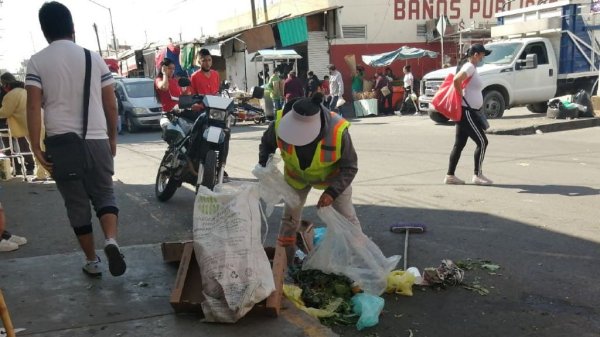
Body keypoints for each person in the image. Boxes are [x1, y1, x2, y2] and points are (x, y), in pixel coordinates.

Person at [25, 1, 126, 277]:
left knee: (77, 204)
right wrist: (112, 138)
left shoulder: (37, 61)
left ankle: (93, 261)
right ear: (72, 28)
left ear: (44, 31)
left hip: (62, 145)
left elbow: (33, 107)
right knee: (105, 193)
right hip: (97, 140)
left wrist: (35, 146)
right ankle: (112, 241)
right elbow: (111, 104)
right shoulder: (93, 57)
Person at [258, 92, 360, 265]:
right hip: (296, 178)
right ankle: (285, 266)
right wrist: (264, 165)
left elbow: (350, 167)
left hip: (332, 179)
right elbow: (267, 144)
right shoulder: (280, 123)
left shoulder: (337, 131)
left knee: (348, 221)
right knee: (289, 222)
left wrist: (332, 193)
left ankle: (357, 263)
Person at [445, 43, 493, 186]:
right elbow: (456, 80)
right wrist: (461, 96)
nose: (483, 57)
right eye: (483, 54)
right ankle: (477, 175)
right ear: (476, 54)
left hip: (468, 111)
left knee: (459, 145)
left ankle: (450, 176)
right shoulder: (470, 67)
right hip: (467, 112)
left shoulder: (471, 67)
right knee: (483, 142)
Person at [0, 72, 50, 181]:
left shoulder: (11, 95)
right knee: (41, 147)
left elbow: (5, 112)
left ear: (7, 85)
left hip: (31, 123)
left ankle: (41, 174)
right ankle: (47, 172)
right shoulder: (24, 91)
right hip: (39, 119)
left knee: (37, 148)